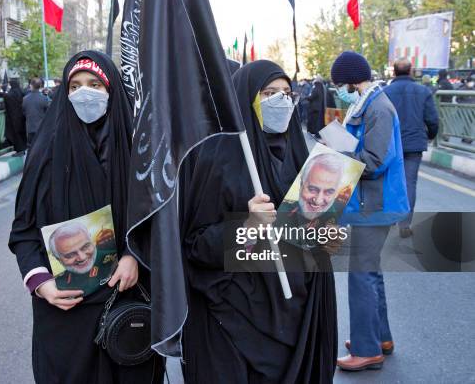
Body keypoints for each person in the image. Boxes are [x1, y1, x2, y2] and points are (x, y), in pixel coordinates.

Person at [9, 51, 164, 384]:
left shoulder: (139, 154)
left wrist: (133, 255)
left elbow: (160, 221)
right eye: (75, 85)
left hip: (127, 305)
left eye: (94, 84)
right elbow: (23, 232)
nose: (85, 93)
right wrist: (41, 284)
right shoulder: (44, 155)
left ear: (111, 90)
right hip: (65, 314)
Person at [181, 60, 337, 384]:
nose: (281, 100)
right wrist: (247, 225)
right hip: (236, 319)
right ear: (246, 98)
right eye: (269, 93)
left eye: (286, 93)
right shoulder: (215, 158)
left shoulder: (304, 159)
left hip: (296, 314)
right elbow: (194, 245)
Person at [331, 51, 409, 372]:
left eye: (340, 84)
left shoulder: (379, 108)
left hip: (374, 205)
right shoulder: (364, 104)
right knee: (371, 274)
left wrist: (338, 150)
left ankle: (366, 350)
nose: (339, 90)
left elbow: (374, 162)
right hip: (369, 203)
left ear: (353, 81)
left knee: (361, 276)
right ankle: (380, 337)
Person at [384, 58, 439, 238]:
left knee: (391, 181)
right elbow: (432, 119)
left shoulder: (385, 92)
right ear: (410, 71)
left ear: (394, 72)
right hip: (414, 144)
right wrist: (430, 136)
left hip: (391, 144)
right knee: (409, 183)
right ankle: (405, 224)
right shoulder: (423, 91)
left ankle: (390, 217)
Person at [22, 77, 49, 148]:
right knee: (42, 147)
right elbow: (47, 113)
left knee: (31, 147)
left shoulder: (25, 99)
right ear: (40, 86)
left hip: (30, 127)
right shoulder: (44, 98)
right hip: (41, 127)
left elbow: (24, 112)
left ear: (31, 85)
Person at [3, 79, 27, 155]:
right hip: (22, 116)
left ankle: (19, 150)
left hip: (14, 118)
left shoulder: (11, 94)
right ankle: (24, 148)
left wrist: (1, 94)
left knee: (16, 134)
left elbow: (8, 98)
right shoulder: (22, 92)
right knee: (22, 133)